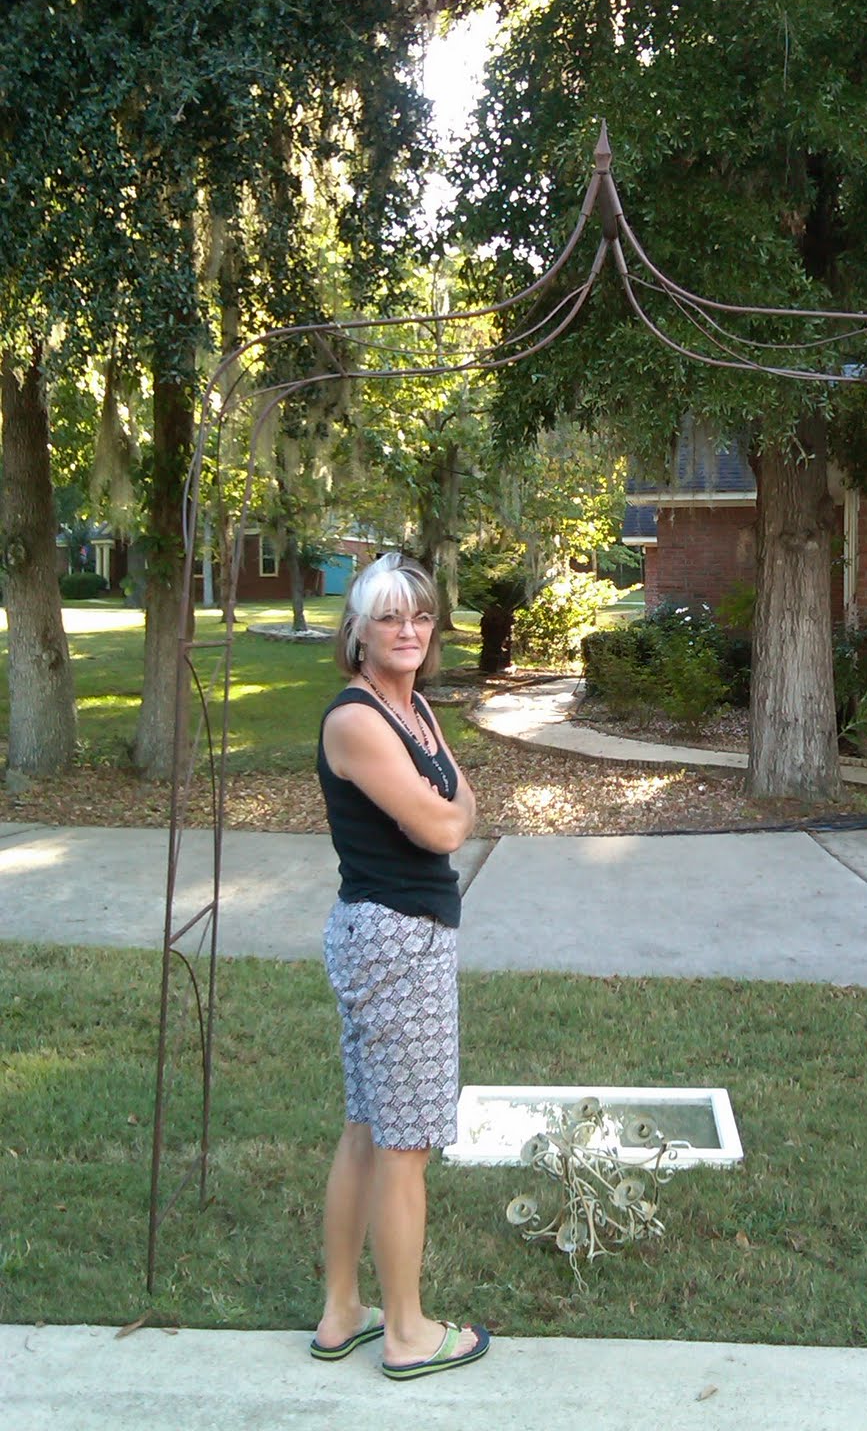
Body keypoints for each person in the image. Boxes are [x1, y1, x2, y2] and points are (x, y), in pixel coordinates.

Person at [310, 553, 490, 1381]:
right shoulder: (356, 720)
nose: (409, 631)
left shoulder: (411, 706)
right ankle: (408, 1332)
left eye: (420, 616)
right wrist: (450, 811)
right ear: (358, 630)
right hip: (394, 938)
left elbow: (459, 803)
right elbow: (450, 828)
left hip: (398, 932)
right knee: (405, 1143)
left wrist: (449, 809)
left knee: (367, 1128)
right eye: (390, 618)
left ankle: (344, 1311)